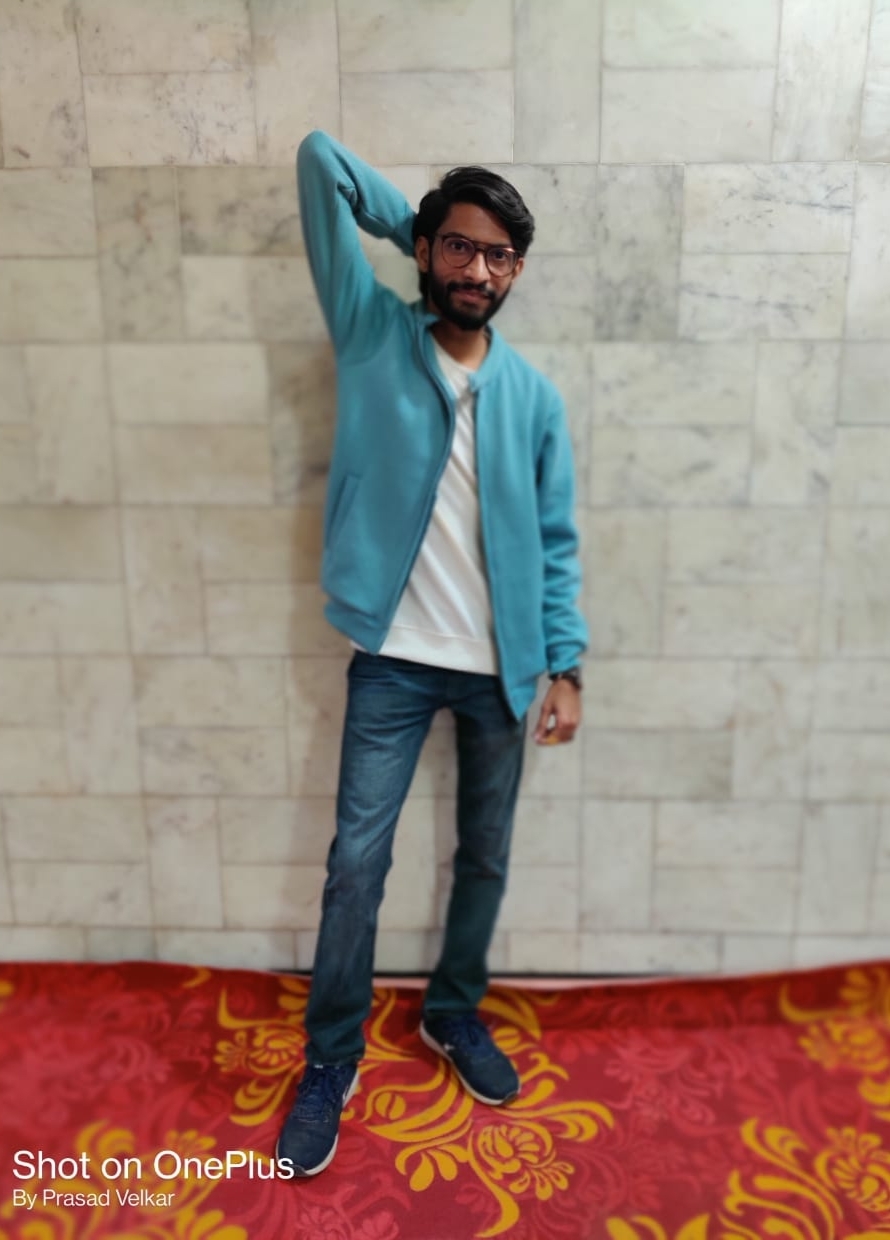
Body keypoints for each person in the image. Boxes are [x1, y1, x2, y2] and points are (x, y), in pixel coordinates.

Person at [277, 130, 587, 1177]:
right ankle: (332, 1056)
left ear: (516, 272)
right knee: (355, 866)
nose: (477, 270)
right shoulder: (370, 330)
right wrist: (416, 214)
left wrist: (566, 664)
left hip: (502, 668)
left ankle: (452, 1012)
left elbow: (554, 541)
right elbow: (319, 162)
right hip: (394, 657)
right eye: (458, 246)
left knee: (484, 856)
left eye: (498, 256)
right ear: (423, 249)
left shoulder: (533, 397)